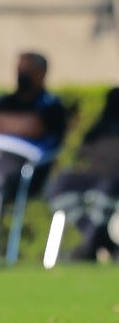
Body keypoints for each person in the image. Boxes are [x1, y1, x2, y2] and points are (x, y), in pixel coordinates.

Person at [0, 51, 68, 200]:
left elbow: (34, 127)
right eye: (19, 69)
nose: (21, 74)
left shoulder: (51, 105)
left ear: (41, 73)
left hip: (18, 165)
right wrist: (13, 123)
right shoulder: (1, 102)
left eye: (26, 70)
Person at [44, 87, 119, 261]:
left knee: (105, 189)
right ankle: (94, 238)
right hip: (96, 175)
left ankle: (90, 243)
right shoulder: (103, 126)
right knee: (61, 185)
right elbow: (83, 151)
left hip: (112, 180)